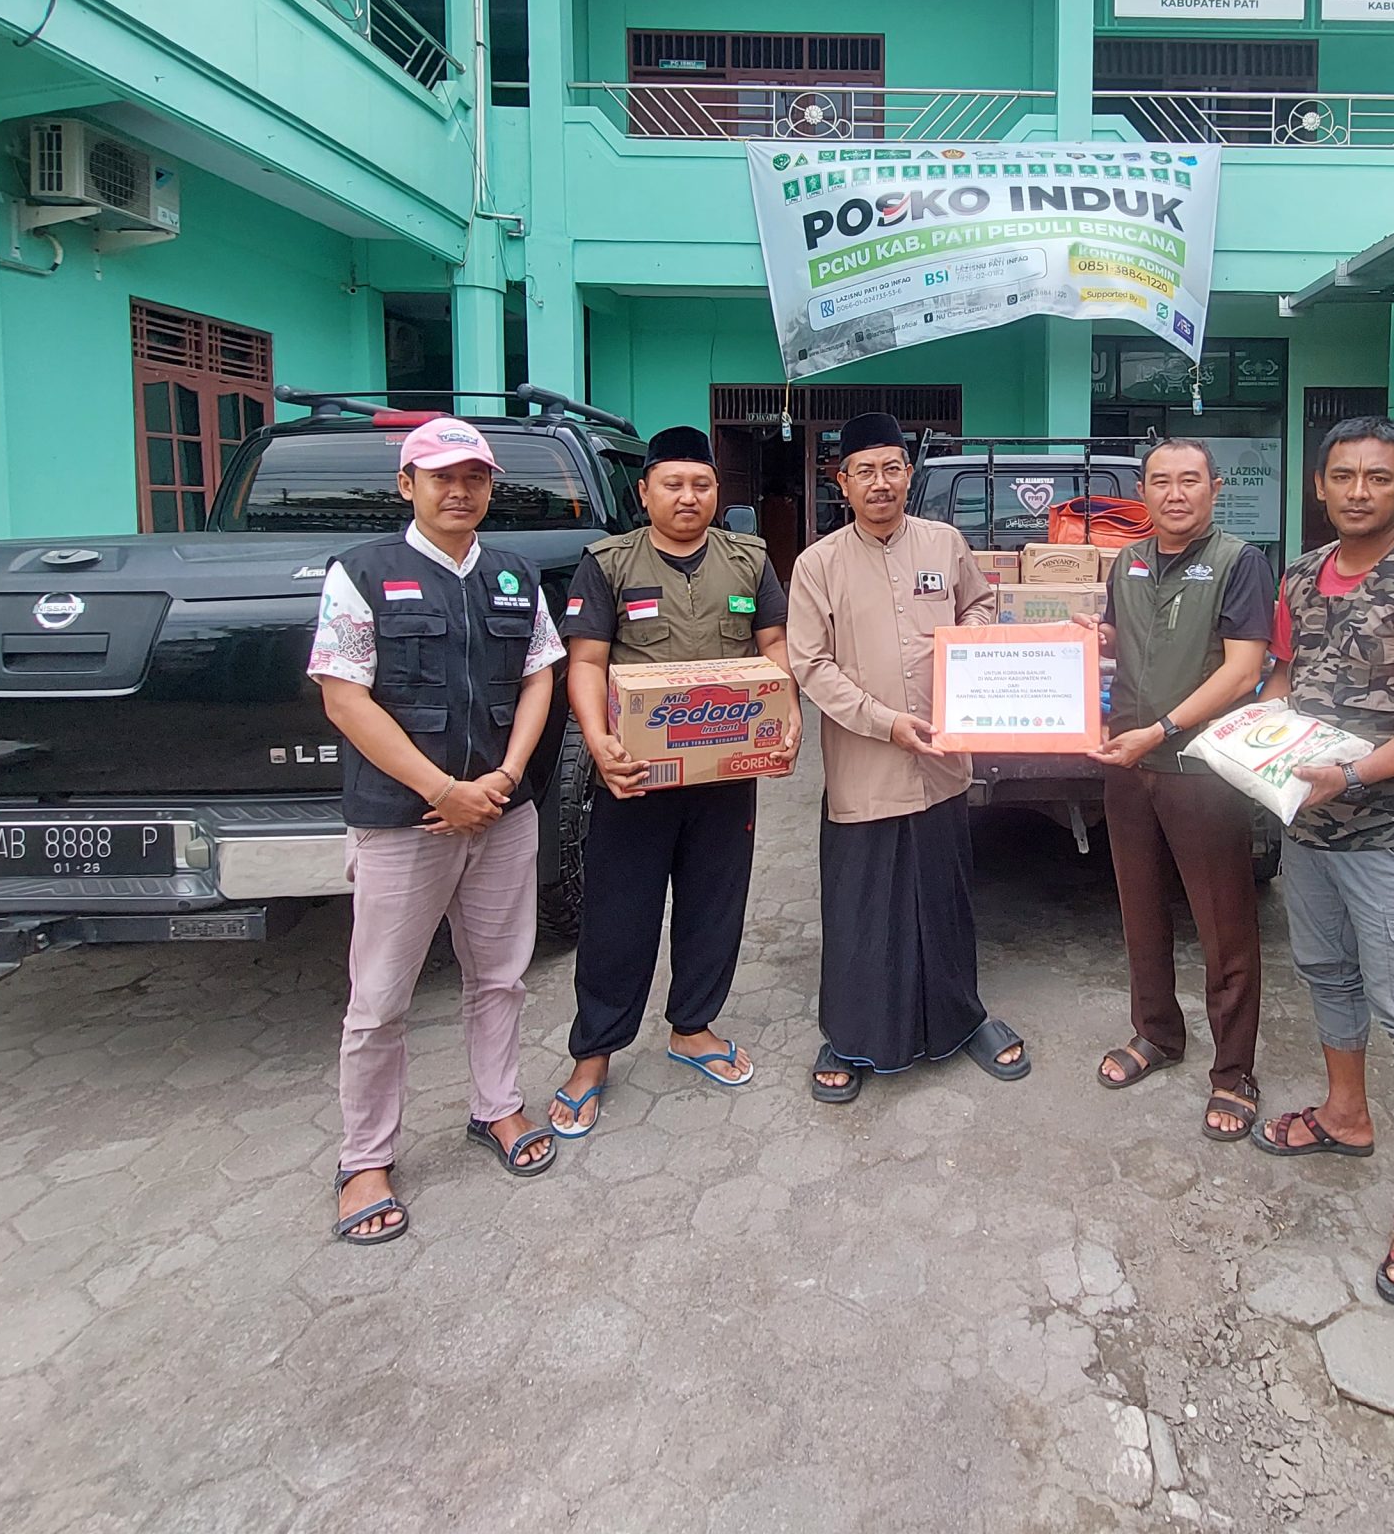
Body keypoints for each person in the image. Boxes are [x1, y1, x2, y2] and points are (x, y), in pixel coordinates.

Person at [308, 416, 564, 1244]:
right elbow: (344, 697)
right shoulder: (361, 573)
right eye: (442, 477)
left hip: (502, 813)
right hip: (404, 821)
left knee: (500, 976)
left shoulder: (514, 574)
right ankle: (364, 1158)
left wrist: (504, 778)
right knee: (380, 999)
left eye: (475, 478)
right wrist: (442, 790)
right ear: (407, 485)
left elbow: (539, 677)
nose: (460, 492)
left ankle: (497, 1105)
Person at [1251, 414, 1394, 1309]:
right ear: (1319, 487)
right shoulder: (1301, 576)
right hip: (1311, 827)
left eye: (1378, 478)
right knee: (1327, 973)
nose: (1358, 491)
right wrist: (1260, 748)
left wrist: (1353, 773)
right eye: (1342, 476)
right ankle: (1346, 1114)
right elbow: (1285, 677)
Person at [546, 426, 798, 1138]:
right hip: (635, 777)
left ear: (717, 492)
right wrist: (598, 742)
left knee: (715, 903)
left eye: (702, 485)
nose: (689, 497)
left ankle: (692, 1026)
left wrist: (787, 714)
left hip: (725, 773)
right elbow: (586, 662)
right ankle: (593, 1053)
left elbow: (773, 645)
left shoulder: (748, 560)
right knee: (618, 915)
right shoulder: (609, 563)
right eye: (674, 484)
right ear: (645, 491)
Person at [786, 411, 1031, 1101]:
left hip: (941, 766)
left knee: (945, 901)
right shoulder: (817, 565)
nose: (881, 482)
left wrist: (965, 648)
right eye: (865, 471)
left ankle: (963, 1019)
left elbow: (982, 604)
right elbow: (810, 664)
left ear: (908, 474)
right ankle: (850, 1036)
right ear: (842, 482)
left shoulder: (944, 543)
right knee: (863, 911)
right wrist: (885, 721)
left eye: (892, 468)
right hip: (865, 770)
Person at [1089, 438, 1274, 1141]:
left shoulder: (1239, 562)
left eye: (1189, 480)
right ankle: (1157, 1034)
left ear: (1214, 488)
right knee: (1141, 912)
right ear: (1142, 492)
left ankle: (1233, 1072)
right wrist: (1087, 641)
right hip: (1127, 764)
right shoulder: (1127, 561)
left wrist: (1162, 729)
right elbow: (1120, 641)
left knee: (1224, 926)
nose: (1174, 493)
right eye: (1160, 481)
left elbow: (1243, 670)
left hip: (1201, 768)